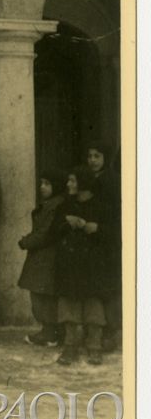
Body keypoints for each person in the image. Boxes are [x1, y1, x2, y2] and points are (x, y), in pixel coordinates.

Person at [53, 169, 106, 366]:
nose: (68, 184)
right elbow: (54, 231)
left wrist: (95, 228)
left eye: (72, 180)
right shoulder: (65, 205)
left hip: (92, 264)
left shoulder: (100, 206)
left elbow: (114, 232)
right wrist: (67, 224)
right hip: (69, 263)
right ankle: (70, 345)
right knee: (68, 302)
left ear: (83, 183)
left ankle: (95, 345)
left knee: (93, 302)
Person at [18, 170, 66, 348]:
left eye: (47, 184)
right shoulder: (49, 204)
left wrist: (26, 242)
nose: (42, 187)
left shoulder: (54, 206)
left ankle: (50, 332)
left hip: (46, 258)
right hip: (42, 258)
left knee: (42, 295)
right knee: (41, 294)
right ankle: (51, 331)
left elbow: (45, 233)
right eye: (41, 183)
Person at [85, 141, 121, 351]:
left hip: (107, 241)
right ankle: (95, 333)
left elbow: (118, 217)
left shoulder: (114, 182)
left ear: (105, 159)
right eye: (90, 156)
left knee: (109, 289)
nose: (92, 160)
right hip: (91, 241)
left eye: (97, 156)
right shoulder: (86, 179)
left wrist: (100, 228)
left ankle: (110, 333)